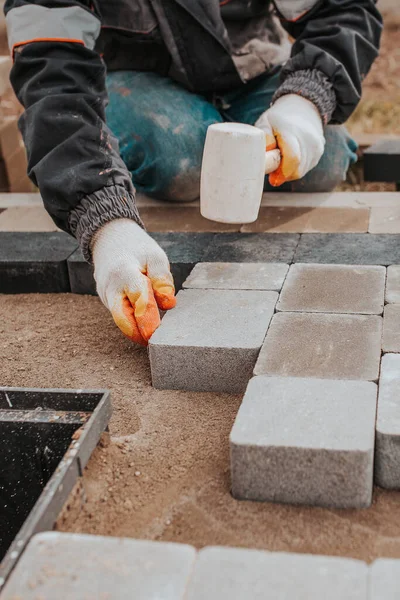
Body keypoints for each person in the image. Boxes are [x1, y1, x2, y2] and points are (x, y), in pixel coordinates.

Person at [5, 0, 382, 346]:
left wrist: (306, 98)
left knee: (327, 157)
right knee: (179, 157)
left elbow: (342, 9)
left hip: (249, 64)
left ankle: (227, 131)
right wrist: (103, 221)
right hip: (133, 76)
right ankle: (182, 141)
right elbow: (53, 77)